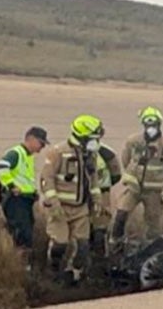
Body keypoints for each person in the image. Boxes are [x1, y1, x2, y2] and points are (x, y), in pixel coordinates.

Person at [40, 115, 103, 284]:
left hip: (81, 208)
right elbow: (46, 179)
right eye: (92, 138)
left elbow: (93, 180)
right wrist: (53, 203)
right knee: (60, 243)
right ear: (82, 136)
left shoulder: (90, 155)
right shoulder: (57, 152)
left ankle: (74, 275)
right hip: (59, 208)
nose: (95, 142)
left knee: (83, 246)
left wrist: (97, 199)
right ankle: (52, 272)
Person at [110, 106, 163, 253]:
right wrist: (133, 176)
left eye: (154, 125)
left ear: (159, 124)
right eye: (148, 125)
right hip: (133, 188)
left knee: (153, 221)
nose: (151, 128)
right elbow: (126, 159)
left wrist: (159, 176)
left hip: (153, 191)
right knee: (121, 213)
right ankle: (115, 243)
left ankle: (151, 248)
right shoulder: (133, 141)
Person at [0, 126, 48, 257]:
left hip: (25, 200)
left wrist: (33, 192)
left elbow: (25, 179)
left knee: (26, 232)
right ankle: (20, 262)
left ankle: (22, 260)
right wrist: (11, 185)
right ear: (31, 139)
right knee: (22, 233)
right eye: (41, 143)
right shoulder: (16, 153)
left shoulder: (28, 156)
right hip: (15, 200)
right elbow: (1, 166)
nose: (42, 147)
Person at [91, 131, 122, 258]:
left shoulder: (106, 153)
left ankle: (99, 255)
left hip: (99, 193)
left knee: (100, 226)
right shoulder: (106, 152)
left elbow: (116, 174)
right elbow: (116, 174)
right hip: (92, 193)